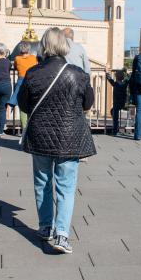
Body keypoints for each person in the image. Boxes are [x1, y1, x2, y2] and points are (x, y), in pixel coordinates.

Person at [17, 27, 96, 254]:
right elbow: (87, 103)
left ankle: (45, 227)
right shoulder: (77, 73)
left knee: (42, 182)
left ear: (44, 46)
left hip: (41, 135)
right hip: (70, 137)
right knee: (66, 187)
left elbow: (23, 104)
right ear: (65, 46)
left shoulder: (33, 73)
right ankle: (62, 235)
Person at [8, 42, 39, 131]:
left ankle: (24, 128)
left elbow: (16, 67)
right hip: (32, 80)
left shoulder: (17, 58)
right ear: (29, 49)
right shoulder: (33, 58)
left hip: (21, 81)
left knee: (22, 105)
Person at [105, 69, 129, 135]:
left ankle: (115, 131)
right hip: (123, 102)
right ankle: (116, 128)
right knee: (113, 112)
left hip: (116, 103)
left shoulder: (115, 84)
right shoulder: (124, 84)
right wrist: (126, 72)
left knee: (115, 116)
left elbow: (109, 79)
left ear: (116, 77)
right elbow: (128, 78)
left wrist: (107, 72)